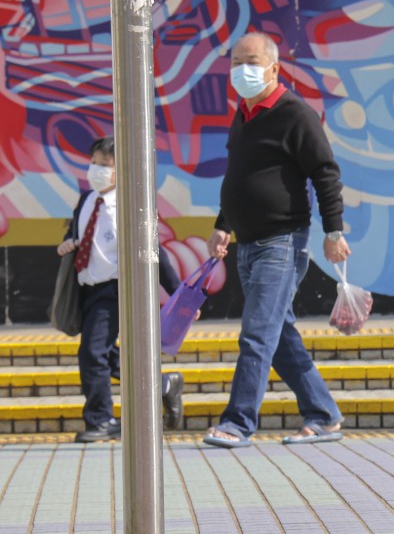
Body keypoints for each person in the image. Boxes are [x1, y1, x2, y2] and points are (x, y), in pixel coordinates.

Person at [203, 31, 352, 448]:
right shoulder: (244, 115)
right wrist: (223, 224)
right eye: (235, 62)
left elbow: (325, 173)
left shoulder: (294, 114)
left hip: (282, 242)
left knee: (255, 333)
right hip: (247, 243)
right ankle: (323, 415)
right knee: (278, 333)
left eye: (250, 61)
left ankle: (237, 423)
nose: (241, 70)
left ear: (273, 67)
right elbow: (239, 175)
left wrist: (333, 230)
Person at [56, 137, 185, 443]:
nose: (97, 170)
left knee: (91, 353)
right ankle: (164, 384)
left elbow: (155, 252)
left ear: (122, 170)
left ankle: (102, 419)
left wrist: (179, 295)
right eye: (95, 163)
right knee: (99, 353)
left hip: (114, 291)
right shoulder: (87, 200)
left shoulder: (130, 205)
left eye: (106, 166)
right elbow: (79, 236)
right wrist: (69, 243)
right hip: (87, 288)